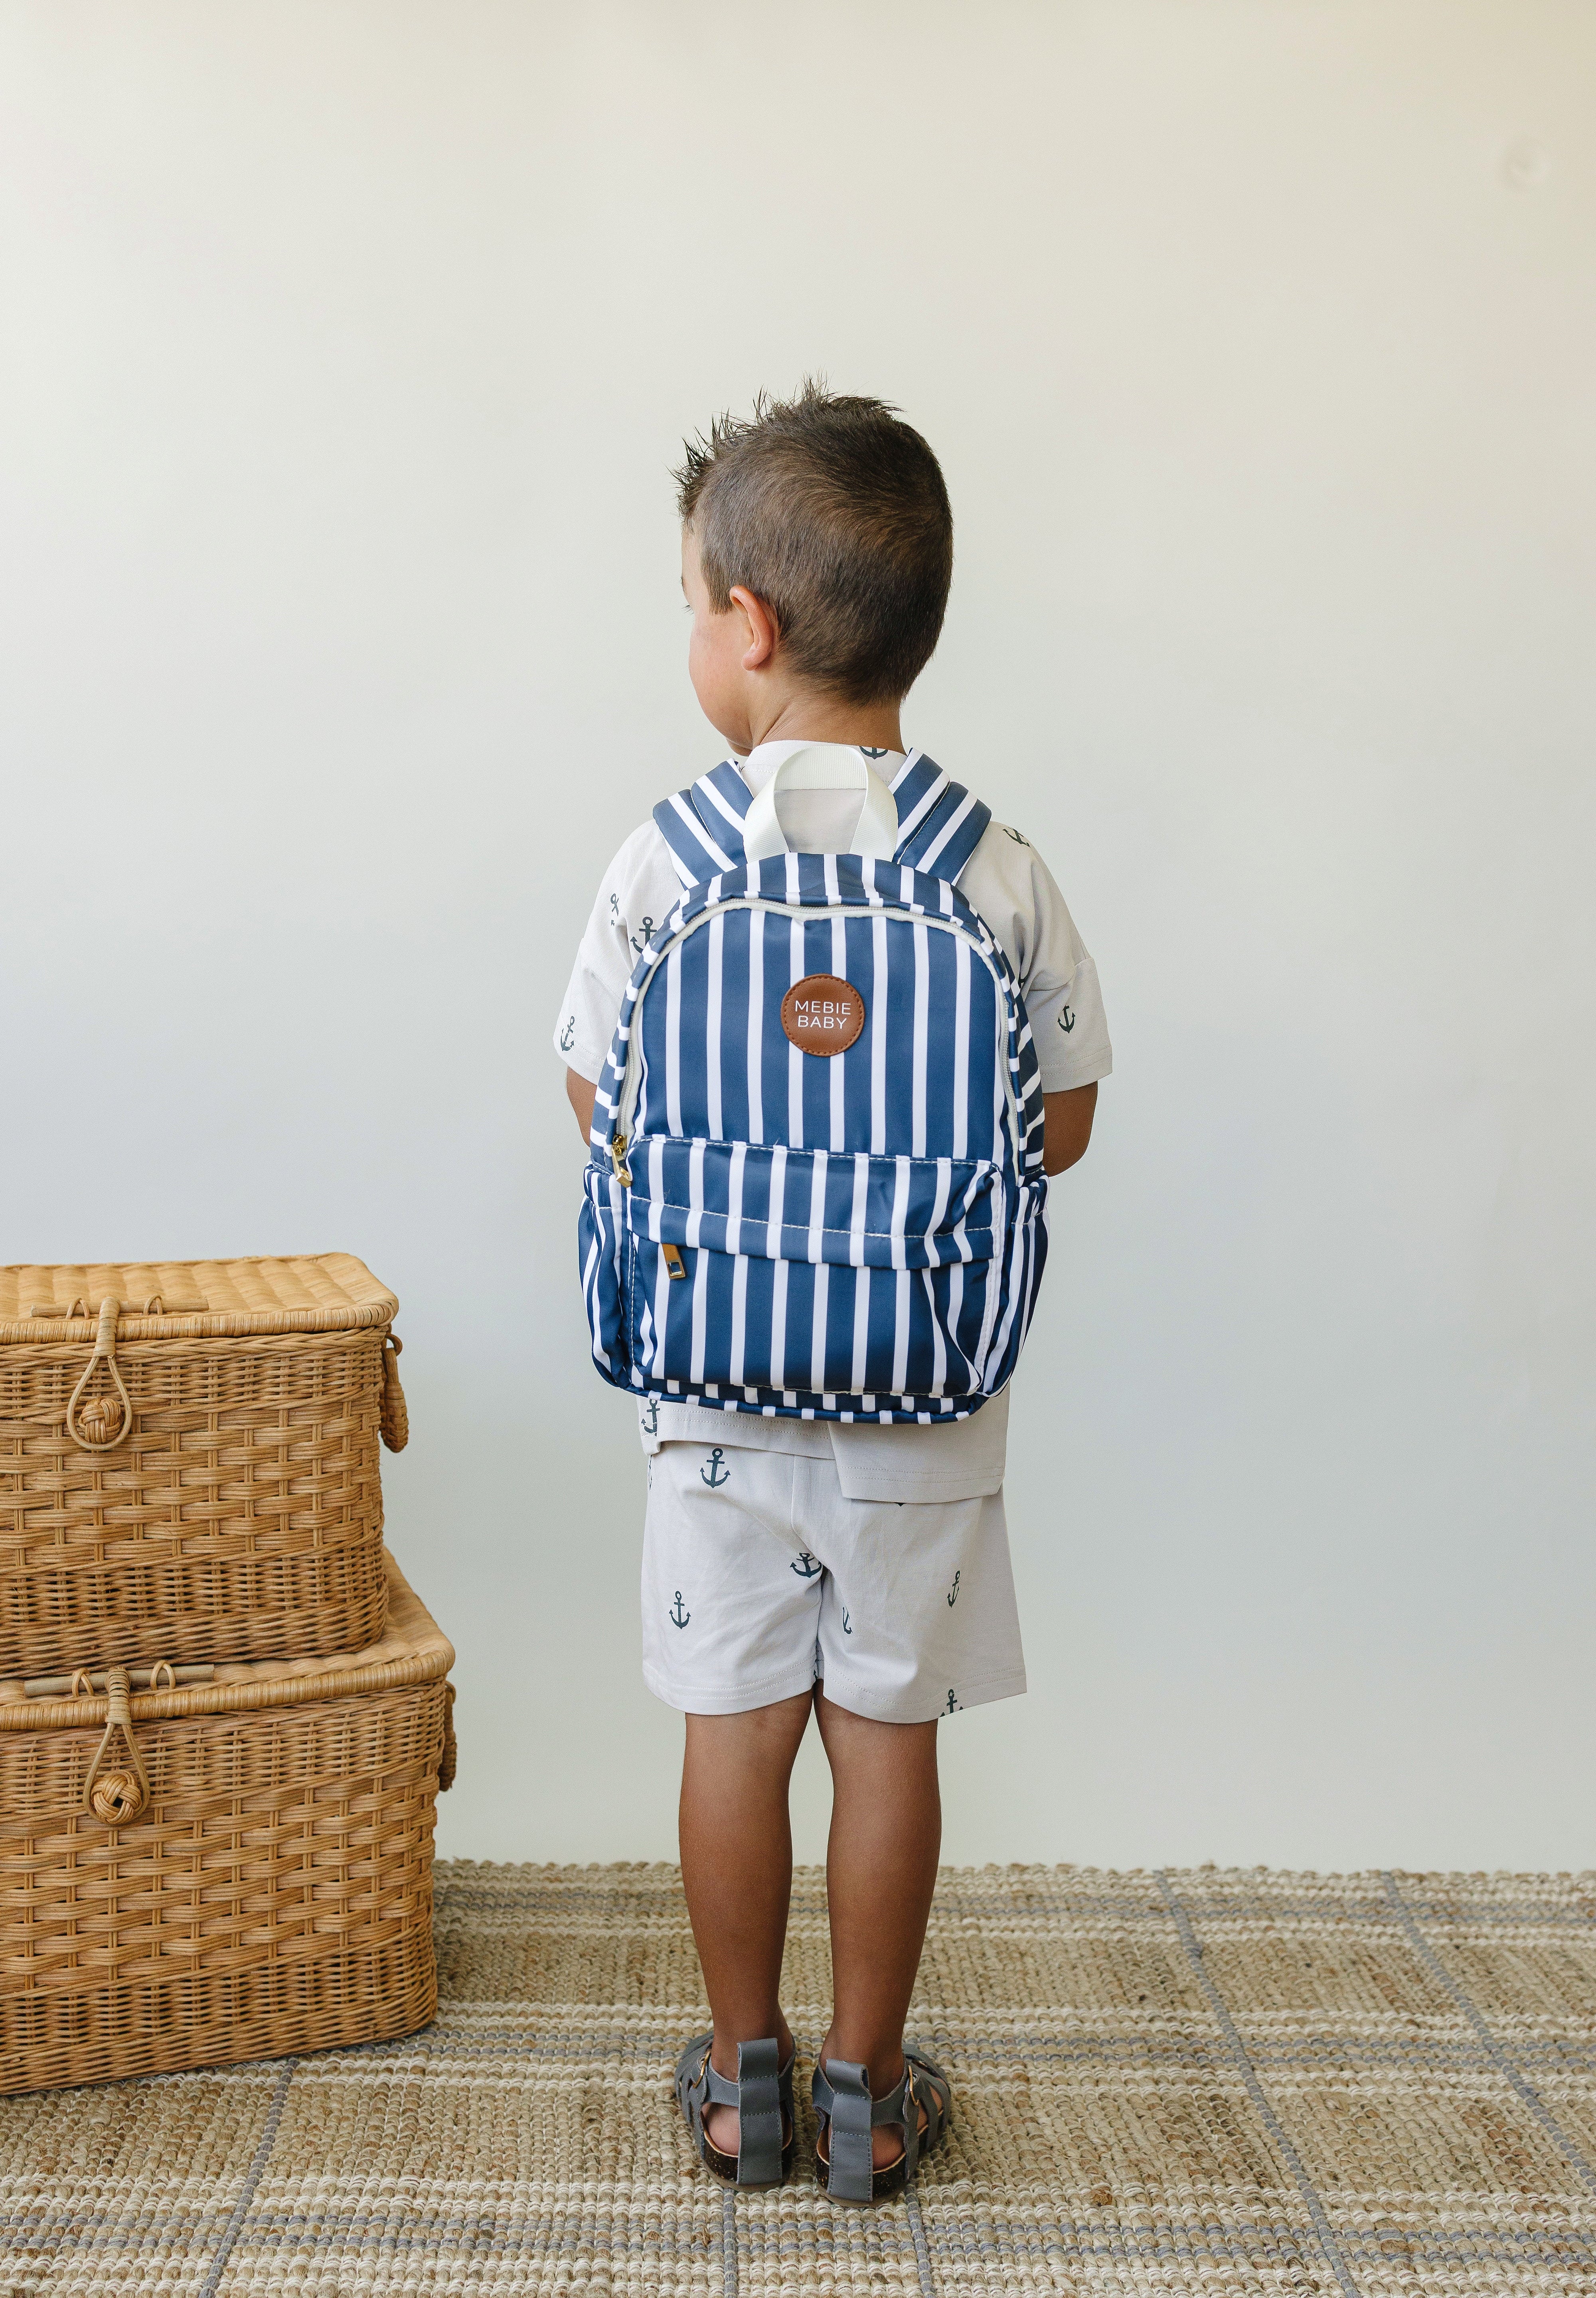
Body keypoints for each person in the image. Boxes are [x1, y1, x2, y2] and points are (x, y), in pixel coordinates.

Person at [555, 383, 1111, 2202]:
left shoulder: (667, 863)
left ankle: (743, 2082)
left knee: (739, 1734)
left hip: (715, 1394)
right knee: (884, 1740)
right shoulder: (993, 870)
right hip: (924, 1400)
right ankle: (869, 2092)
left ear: (751, 628)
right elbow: (1065, 1121)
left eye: (688, 602)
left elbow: (595, 1100)